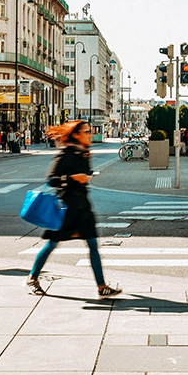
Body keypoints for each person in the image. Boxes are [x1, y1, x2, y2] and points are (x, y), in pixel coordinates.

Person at [26, 120, 121, 298]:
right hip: (66, 209)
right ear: (76, 135)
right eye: (86, 131)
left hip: (83, 208)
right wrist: (73, 178)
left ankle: (102, 287)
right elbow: (52, 180)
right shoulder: (66, 154)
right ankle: (32, 277)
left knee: (93, 244)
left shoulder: (84, 154)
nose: (90, 134)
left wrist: (85, 176)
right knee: (52, 244)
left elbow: (85, 174)